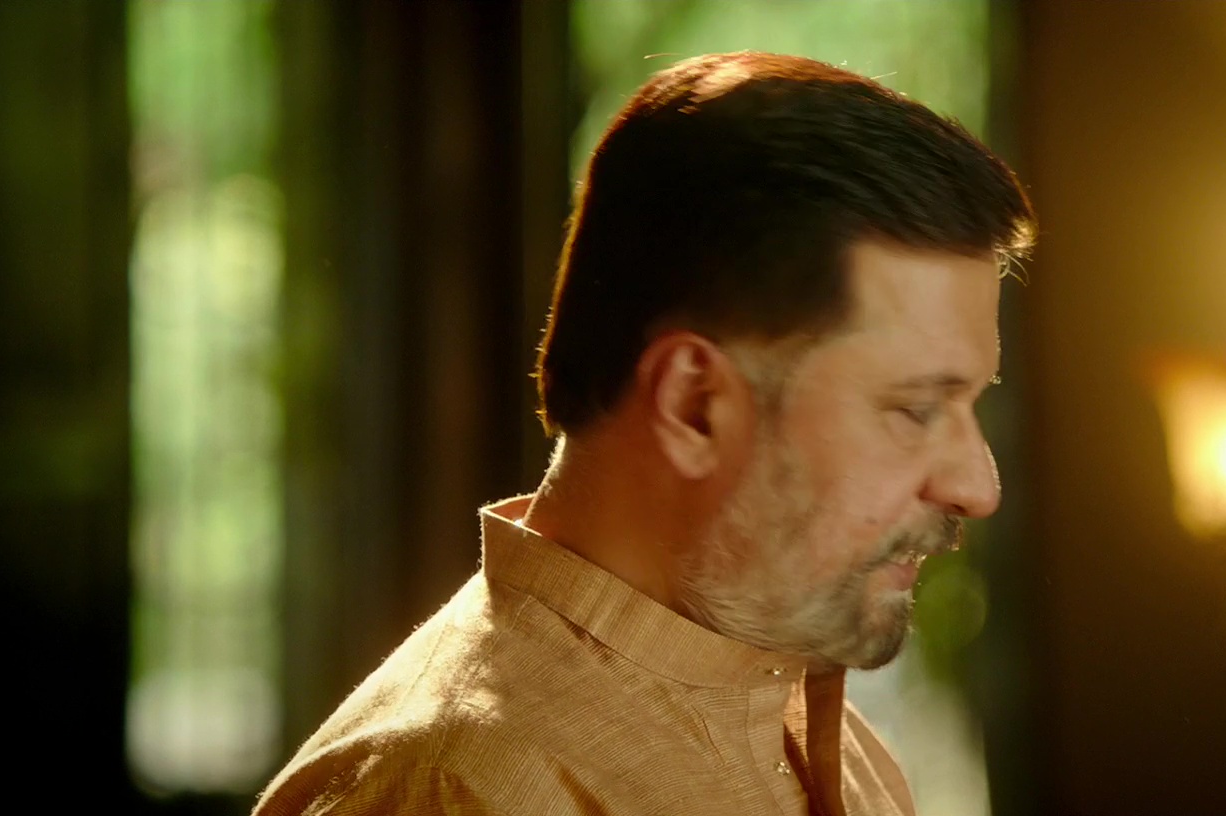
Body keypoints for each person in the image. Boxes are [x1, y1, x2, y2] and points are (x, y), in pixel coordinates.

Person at [252, 51, 1035, 816]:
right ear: (694, 405)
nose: (978, 486)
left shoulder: (805, 721)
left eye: (971, 403)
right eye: (916, 409)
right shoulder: (458, 791)